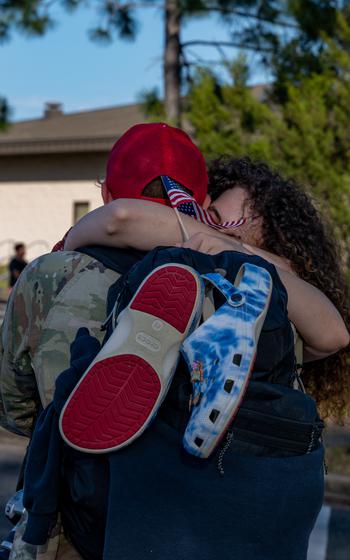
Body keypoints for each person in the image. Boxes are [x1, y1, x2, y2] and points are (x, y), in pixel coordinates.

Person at [0, 124, 348, 559]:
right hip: (209, 519)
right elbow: (332, 336)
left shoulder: (51, 274)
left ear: (107, 192)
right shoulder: (271, 304)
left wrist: (72, 239)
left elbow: (16, 411)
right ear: (197, 205)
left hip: (78, 523)